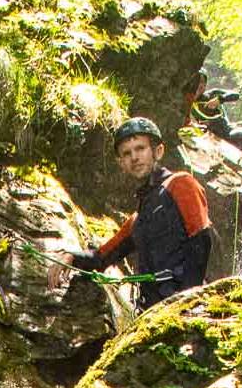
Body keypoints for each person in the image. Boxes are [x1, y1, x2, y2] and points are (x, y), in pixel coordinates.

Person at [46, 117, 213, 312]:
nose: (134, 157)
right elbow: (102, 258)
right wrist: (72, 257)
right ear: (121, 163)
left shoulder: (181, 184)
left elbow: (201, 240)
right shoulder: (138, 220)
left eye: (140, 149)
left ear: (158, 151)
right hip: (153, 313)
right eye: (127, 153)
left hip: (187, 307)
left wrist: (187, 302)